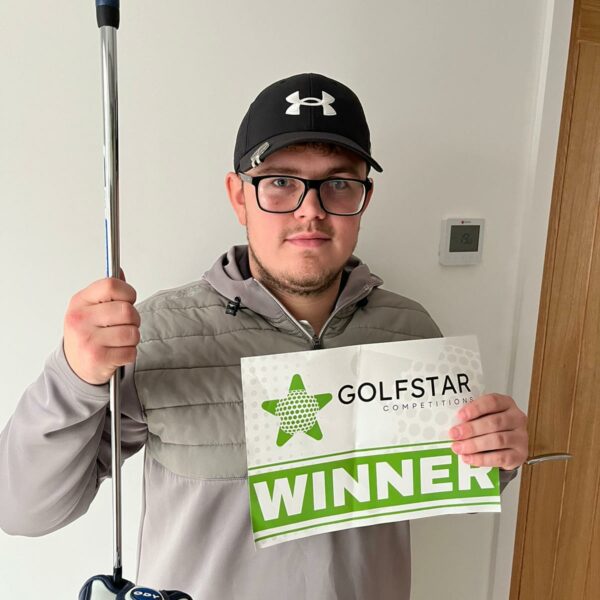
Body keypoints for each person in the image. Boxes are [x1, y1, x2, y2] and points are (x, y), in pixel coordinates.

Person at [0, 72, 528, 599]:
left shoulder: (409, 331)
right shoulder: (158, 332)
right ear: (239, 197)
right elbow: (22, 509)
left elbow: (454, 475)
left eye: (338, 183)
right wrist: (73, 377)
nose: (310, 210)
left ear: (365, 198)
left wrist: (497, 452)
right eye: (280, 182)